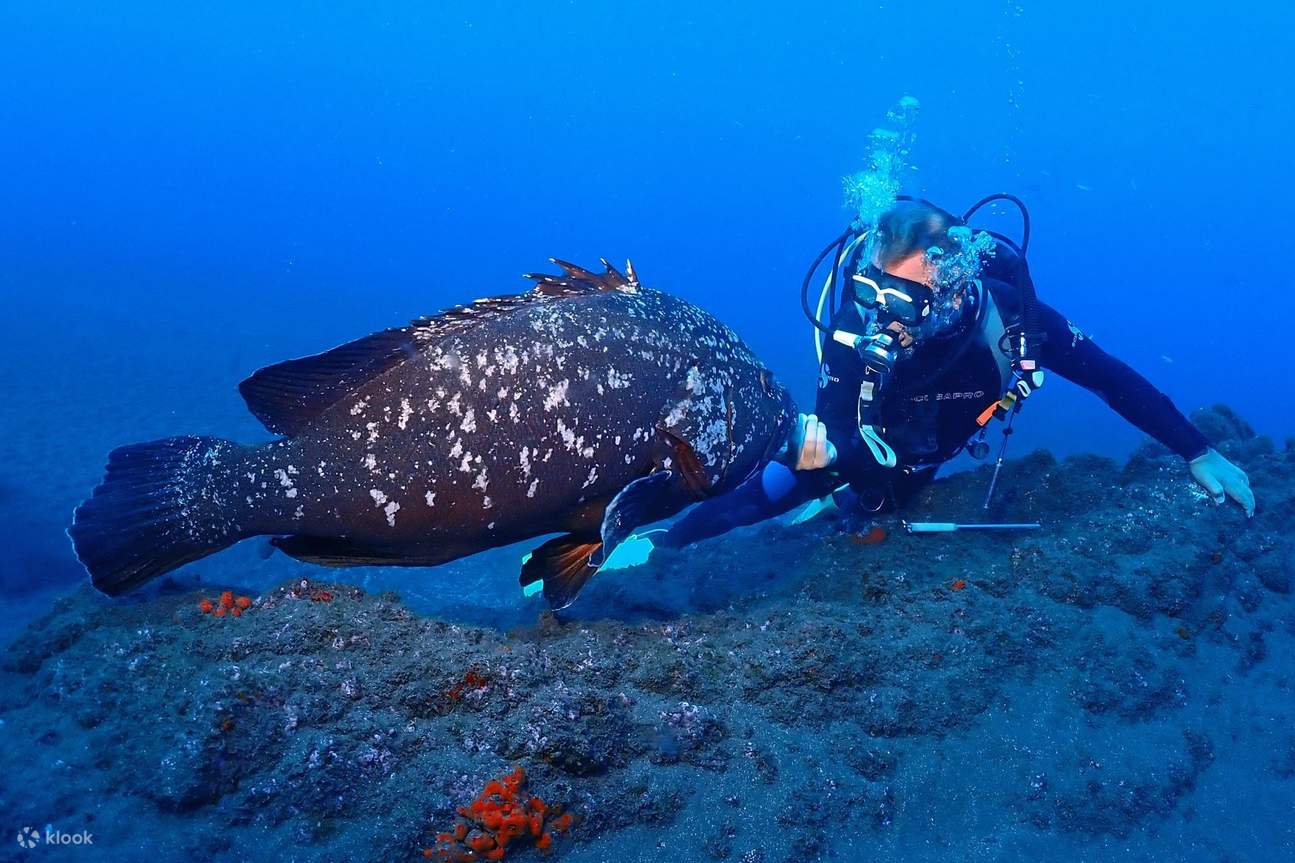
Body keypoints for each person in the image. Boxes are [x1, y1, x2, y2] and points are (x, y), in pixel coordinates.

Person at [616, 197, 1255, 560]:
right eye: (874, 291)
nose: (881, 315)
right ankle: (653, 546)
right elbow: (841, 444)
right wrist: (836, 473)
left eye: (904, 299)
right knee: (774, 490)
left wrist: (1198, 450)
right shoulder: (853, 332)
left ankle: (830, 511)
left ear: (957, 279)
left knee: (882, 500)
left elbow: (1112, 380)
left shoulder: (1015, 319)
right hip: (863, 449)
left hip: (924, 453)